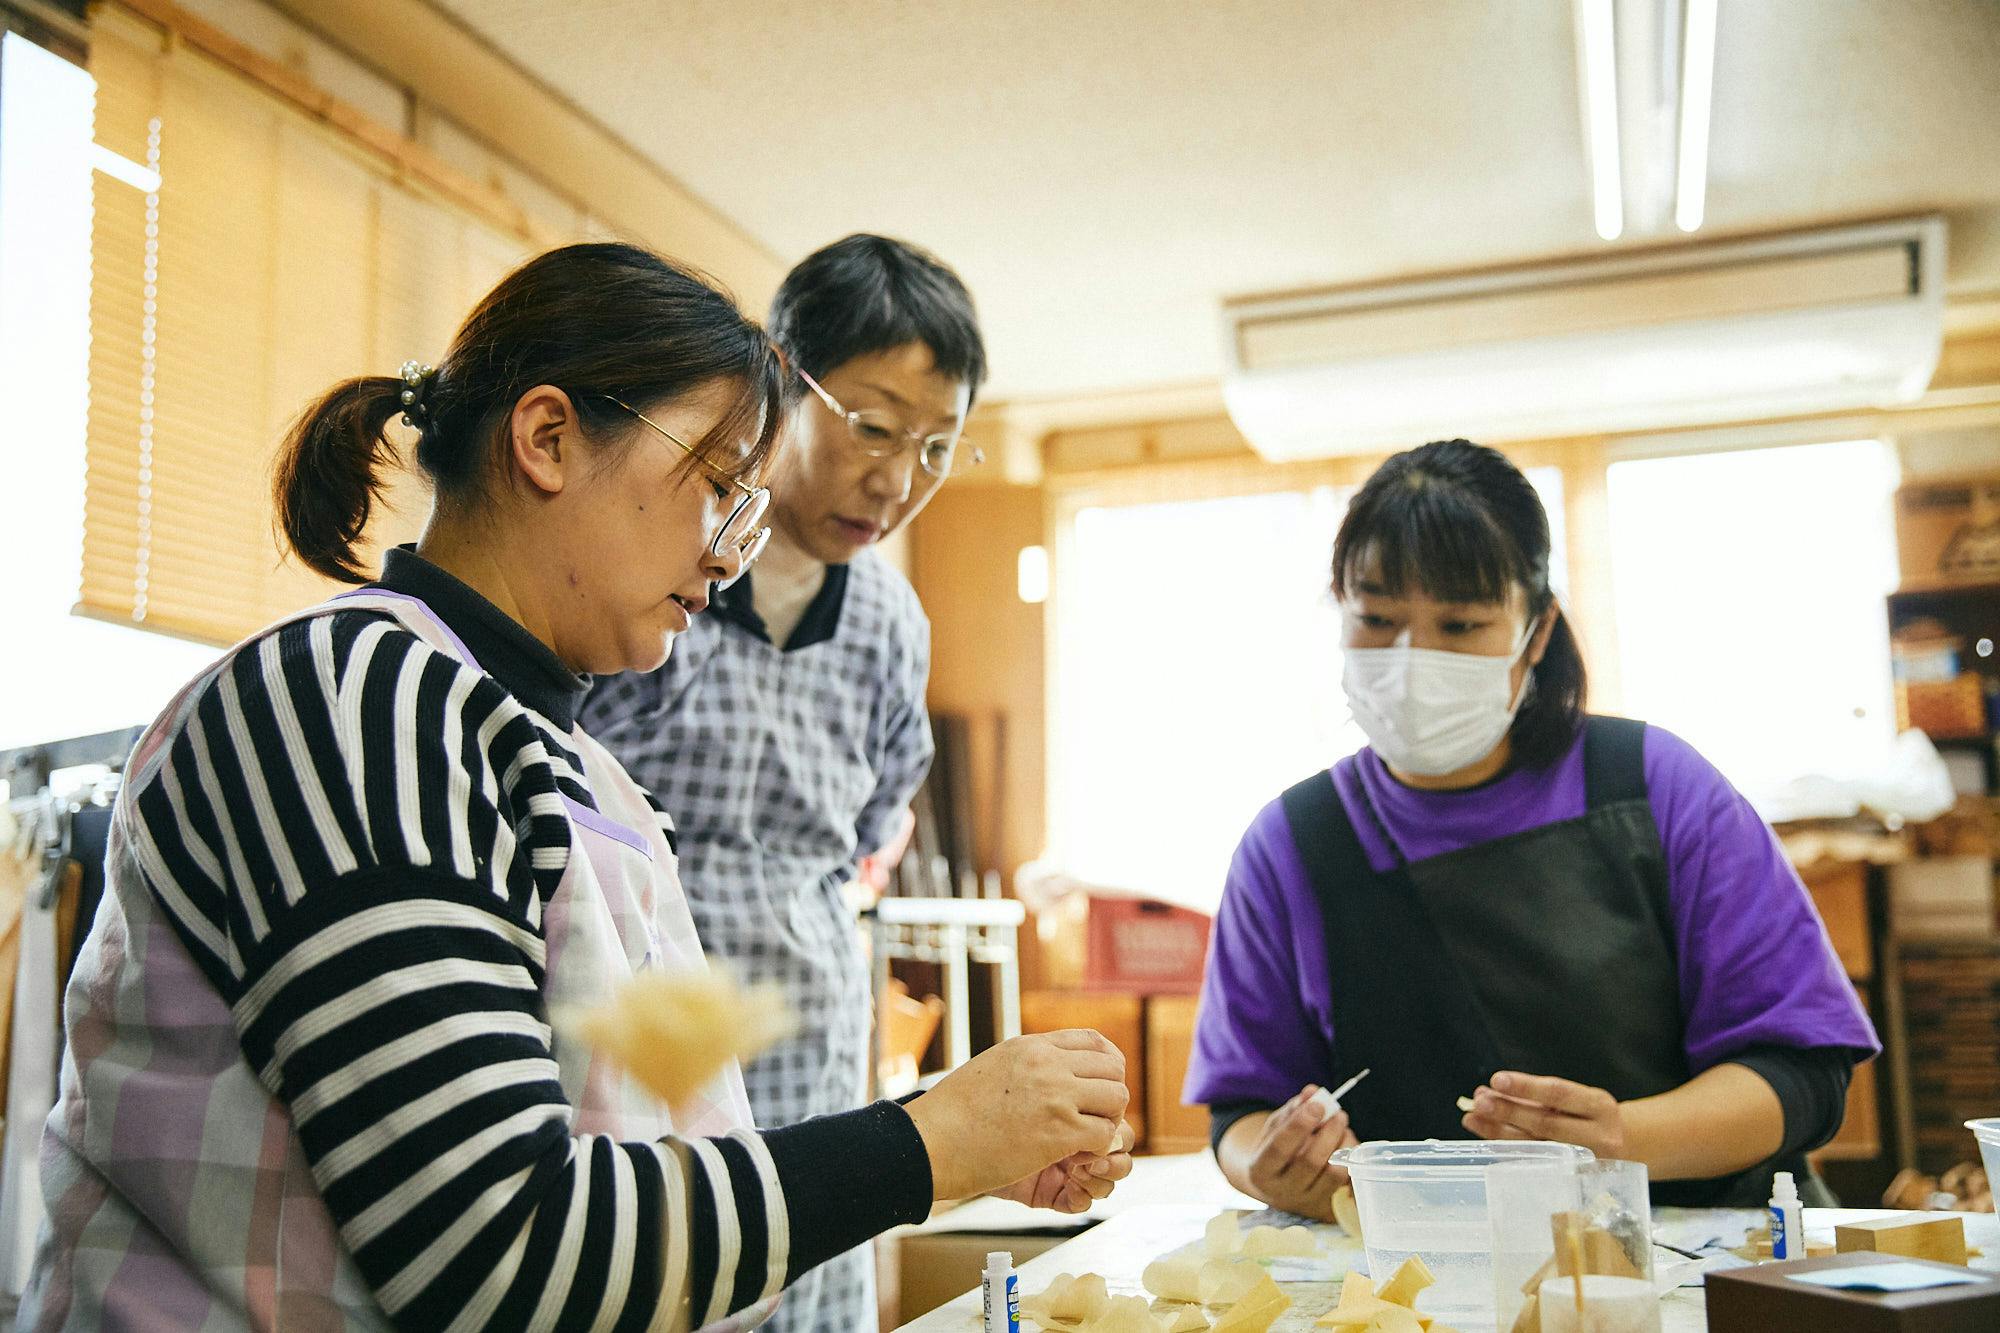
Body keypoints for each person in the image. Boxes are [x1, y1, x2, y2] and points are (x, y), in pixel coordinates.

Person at [23, 242, 1131, 1332]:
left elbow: (619, 1158)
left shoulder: (562, 753)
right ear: (548, 438)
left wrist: (943, 1144)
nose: (727, 556)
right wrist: (929, 1144)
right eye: (716, 489)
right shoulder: (355, 700)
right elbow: (497, 1248)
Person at [1185, 439, 1879, 1215]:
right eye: (1377, 618)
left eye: (1460, 624)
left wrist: (1620, 1140)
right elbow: (1240, 1113)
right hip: (1414, 1279)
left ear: (1537, 631)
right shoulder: (1292, 844)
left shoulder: (1653, 786)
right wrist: (1269, 1165)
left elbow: (1803, 1073)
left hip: (1697, 1254)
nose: (1413, 661)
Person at [581, 235, 991, 1331]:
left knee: (807, 1284)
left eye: (937, 449)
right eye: (871, 425)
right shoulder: (660, 562)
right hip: (641, 1027)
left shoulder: (892, 626)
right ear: (780, 382)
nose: (896, 479)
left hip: (812, 1033)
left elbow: (871, 821)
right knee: (654, 1274)